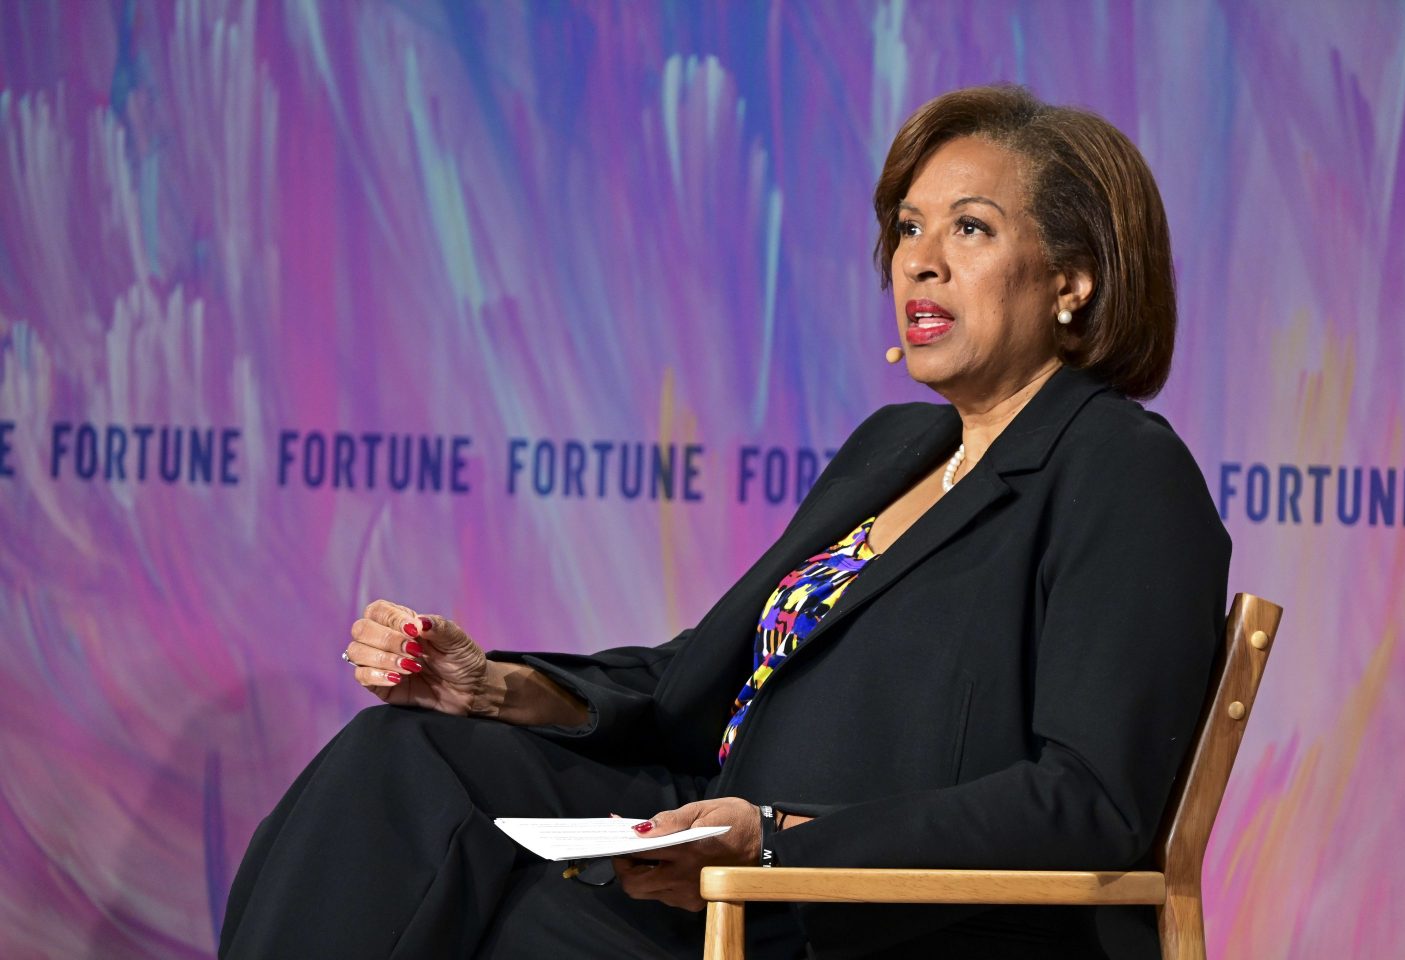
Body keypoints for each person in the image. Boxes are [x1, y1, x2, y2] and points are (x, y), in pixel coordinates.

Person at [220, 85, 1229, 959]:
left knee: (494, 916)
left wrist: (782, 838)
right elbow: (699, 680)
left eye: (969, 229)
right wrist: (500, 688)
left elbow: (1090, 803)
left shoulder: (1121, 471)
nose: (919, 263)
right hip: (714, 859)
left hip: (861, 914)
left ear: (1073, 280)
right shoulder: (899, 448)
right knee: (405, 755)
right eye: (907, 228)